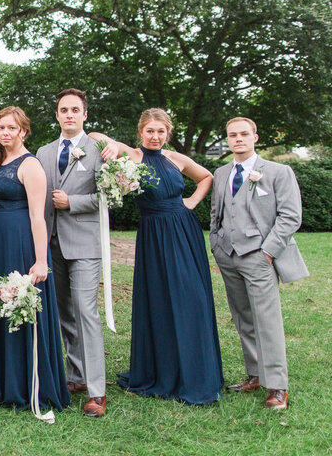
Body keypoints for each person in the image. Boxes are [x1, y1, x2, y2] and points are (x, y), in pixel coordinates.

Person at [97, 108, 223, 404]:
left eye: (160, 132)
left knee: (192, 297)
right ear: (140, 132)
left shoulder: (176, 159)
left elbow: (206, 177)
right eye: (150, 131)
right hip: (153, 235)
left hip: (184, 231)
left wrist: (191, 201)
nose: (155, 136)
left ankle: (197, 372)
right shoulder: (133, 155)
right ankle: (164, 370)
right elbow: (94, 136)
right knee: (161, 299)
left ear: (168, 134)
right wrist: (112, 145)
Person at [0, 107, 69, 411]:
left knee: (17, 304)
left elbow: (38, 216)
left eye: (12, 128)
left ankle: (18, 381)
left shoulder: (30, 165)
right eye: (1, 128)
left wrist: (40, 260)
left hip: (21, 243)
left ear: (23, 131)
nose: (5, 133)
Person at [209, 117, 307, 411]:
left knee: (267, 321)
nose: (238, 139)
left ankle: (278, 386)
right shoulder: (222, 171)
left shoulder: (278, 171)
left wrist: (267, 252)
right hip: (228, 255)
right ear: (227, 140)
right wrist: (216, 243)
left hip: (258, 255)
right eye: (232, 135)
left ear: (255, 137)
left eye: (243, 134)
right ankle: (255, 374)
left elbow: (290, 216)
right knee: (242, 317)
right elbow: (218, 212)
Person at [36, 89, 108, 417]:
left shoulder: (99, 151)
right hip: (52, 244)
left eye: (75, 110)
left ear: (85, 115)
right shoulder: (44, 151)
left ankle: (97, 391)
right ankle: (76, 375)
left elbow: (109, 198)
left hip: (84, 244)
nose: (69, 115)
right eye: (63, 109)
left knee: (86, 311)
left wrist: (73, 202)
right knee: (64, 312)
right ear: (56, 115)